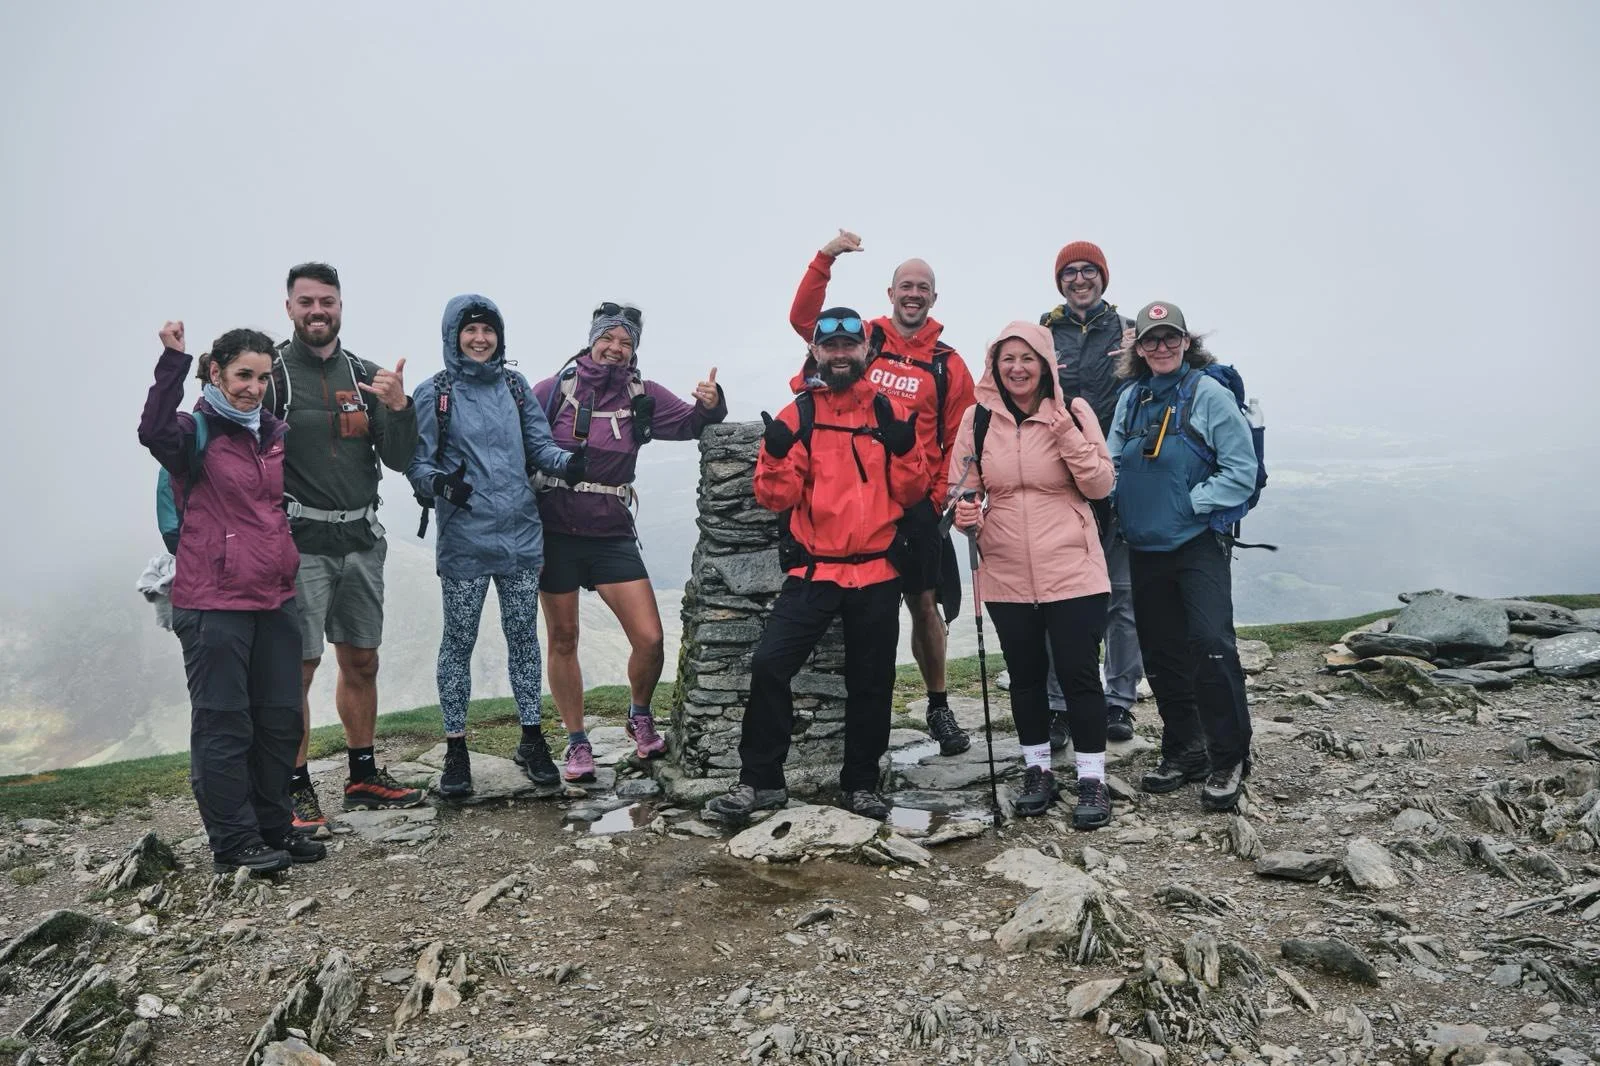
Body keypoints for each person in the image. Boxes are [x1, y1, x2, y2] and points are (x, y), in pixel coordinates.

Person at [705, 308, 927, 824]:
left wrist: (905, 451)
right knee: (769, 665)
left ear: (867, 353)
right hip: (815, 570)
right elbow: (774, 496)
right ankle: (760, 782)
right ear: (816, 353)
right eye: (831, 347)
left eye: (851, 346)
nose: (841, 354)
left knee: (872, 681)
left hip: (875, 571)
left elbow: (911, 492)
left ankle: (861, 785)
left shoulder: (889, 414)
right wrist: (779, 453)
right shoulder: (797, 415)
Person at [139, 321, 325, 874]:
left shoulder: (270, 433)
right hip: (212, 603)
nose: (254, 386)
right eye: (243, 374)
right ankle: (233, 841)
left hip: (273, 599)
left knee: (278, 720)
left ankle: (273, 826)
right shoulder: (192, 432)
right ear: (216, 372)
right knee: (224, 724)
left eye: (263, 377)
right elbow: (150, 430)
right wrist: (173, 360)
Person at [788, 231, 977, 757]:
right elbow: (804, 321)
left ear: (933, 298)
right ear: (890, 293)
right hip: (856, 498)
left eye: (923, 288)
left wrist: (939, 499)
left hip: (917, 503)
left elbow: (959, 437)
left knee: (923, 604)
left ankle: (938, 706)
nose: (913, 295)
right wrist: (825, 258)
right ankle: (868, 714)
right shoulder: (862, 338)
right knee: (860, 605)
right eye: (905, 286)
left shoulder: (948, 362)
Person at [531, 304, 727, 780]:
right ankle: (577, 743)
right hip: (555, 533)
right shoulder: (553, 390)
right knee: (563, 639)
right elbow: (518, 442)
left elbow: (691, 425)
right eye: (609, 339)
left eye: (626, 343)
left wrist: (711, 403)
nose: (616, 350)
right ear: (592, 339)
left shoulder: (642, 394)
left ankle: (640, 716)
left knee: (650, 638)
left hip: (612, 533)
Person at [408, 295, 583, 798]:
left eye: (489, 330)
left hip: (521, 535)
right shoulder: (434, 392)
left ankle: (532, 739)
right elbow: (418, 464)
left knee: (524, 638)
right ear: (453, 336)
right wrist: (442, 486)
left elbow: (540, 445)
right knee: (458, 643)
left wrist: (568, 463)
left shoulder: (514, 385)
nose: (481, 339)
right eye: (471, 330)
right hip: (465, 540)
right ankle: (456, 750)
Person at [274, 263, 424, 835]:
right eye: (306, 301)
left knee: (361, 659)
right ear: (289, 307)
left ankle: (363, 776)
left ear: (341, 306)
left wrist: (400, 407)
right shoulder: (274, 376)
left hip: (361, 541)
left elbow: (401, 460)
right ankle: (296, 788)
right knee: (300, 667)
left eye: (328, 301)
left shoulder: (366, 375)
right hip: (300, 545)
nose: (318, 311)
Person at [948, 323, 1115, 826]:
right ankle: (1037, 770)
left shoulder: (1075, 413)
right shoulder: (976, 420)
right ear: (994, 366)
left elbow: (1102, 483)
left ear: (1045, 364)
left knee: (1079, 674)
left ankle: (1092, 779)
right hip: (1005, 568)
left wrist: (1062, 428)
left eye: (1027, 358)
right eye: (1007, 359)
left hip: (1072, 566)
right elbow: (962, 488)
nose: (1017, 368)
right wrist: (963, 512)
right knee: (1024, 678)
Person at [1106, 302, 1258, 812]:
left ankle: (1229, 756)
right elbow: (1110, 465)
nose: (1162, 347)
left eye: (1171, 338)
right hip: (1144, 546)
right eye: (1152, 340)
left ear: (1187, 342)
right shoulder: (1132, 398)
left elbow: (1243, 469)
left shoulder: (1208, 394)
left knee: (1211, 645)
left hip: (1197, 545)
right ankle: (1185, 749)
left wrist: (1187, 505)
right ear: (1139, 349)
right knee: (1163, 653)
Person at [1039, 241, 1144, 748]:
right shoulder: (1044, 333)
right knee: (1063, 597)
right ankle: (1059, 703)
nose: (1080, 280)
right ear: (1060, 281)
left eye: (1089, 271)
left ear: (1103, 278)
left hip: (1118, 476)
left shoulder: (1128, 334)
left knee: (1122, 595)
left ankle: (1120, 701)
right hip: (1061, 480)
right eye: (1071, 273)